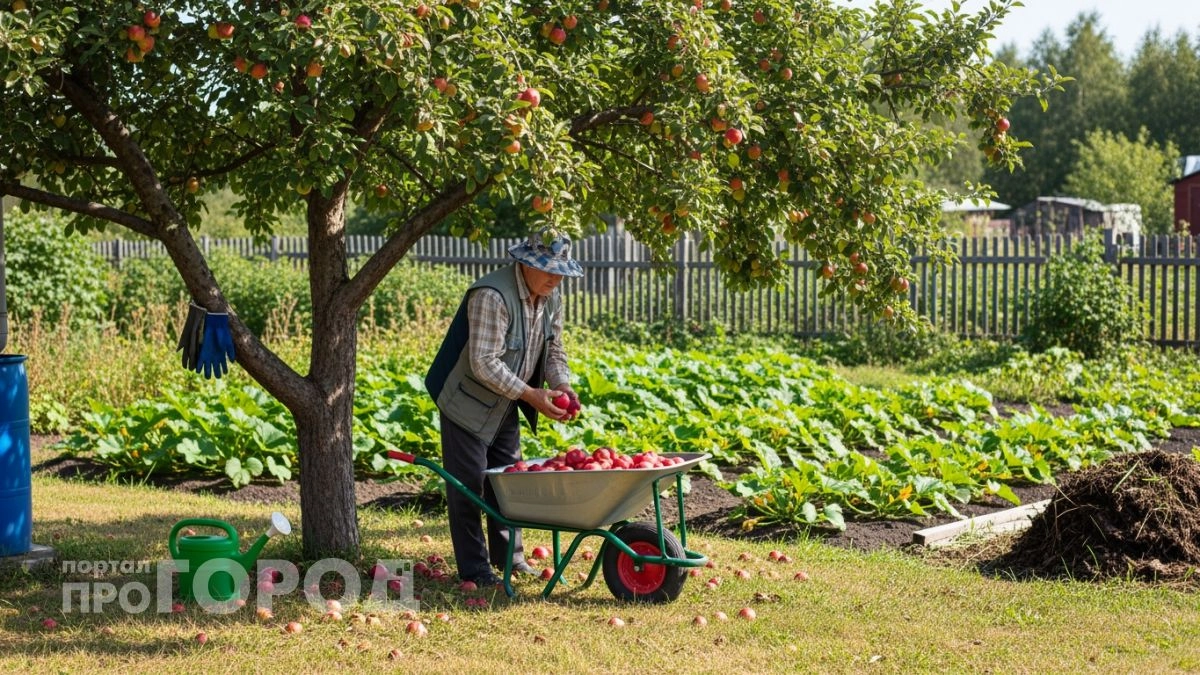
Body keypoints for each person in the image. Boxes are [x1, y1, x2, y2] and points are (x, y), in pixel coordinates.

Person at [424, 230, 584, 587]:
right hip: (465, 402)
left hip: (506, 401)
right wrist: (530, 394)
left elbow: (554, 350)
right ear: (526, 263)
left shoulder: (550, 298)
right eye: (548, 270)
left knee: (509, 482)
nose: (556, 279)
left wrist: (562, 386)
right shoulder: (491, 295)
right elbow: (483, 362)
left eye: (560, 272)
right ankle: (475, 570)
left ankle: (509, 558)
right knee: (469, 488)